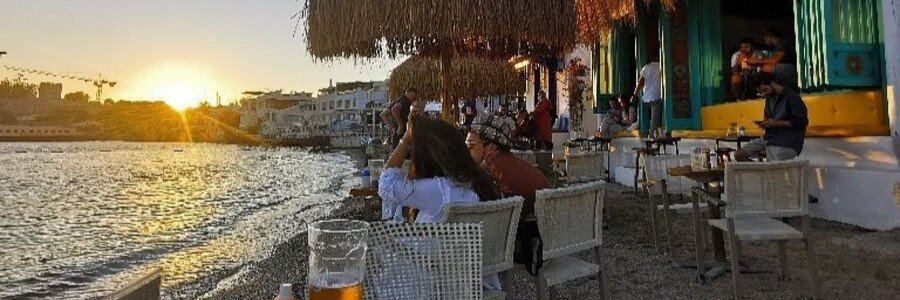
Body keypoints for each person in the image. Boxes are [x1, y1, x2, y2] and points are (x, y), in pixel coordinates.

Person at [466, 114, 551, 274]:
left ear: (491, 148)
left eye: (470, 145)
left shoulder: (491, 174)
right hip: (551, 241)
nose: (466, 150)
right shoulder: (522, 166)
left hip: (522, 249)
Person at [734, 73, 808, 162]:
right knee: (739, 154)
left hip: (787, 141)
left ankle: (767, 173)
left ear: (772, 83)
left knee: (773, 162)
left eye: (765, 89)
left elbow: (801, 121)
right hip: (769, 139)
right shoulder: (769, 99)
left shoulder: (792, 97)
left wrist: (776, 123)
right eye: (761, 92)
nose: (764, 93)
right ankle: (762, 173)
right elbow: (769, 119)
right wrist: (765, 124)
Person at [632, 56, 663, 138]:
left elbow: (640, 82)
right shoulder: (662, 66)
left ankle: (654, 134)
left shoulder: (646, 68)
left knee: (654, 117)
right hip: (657, 96)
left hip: (648, 97)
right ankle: (652, 136)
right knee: (655, 118)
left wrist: (635, 95)